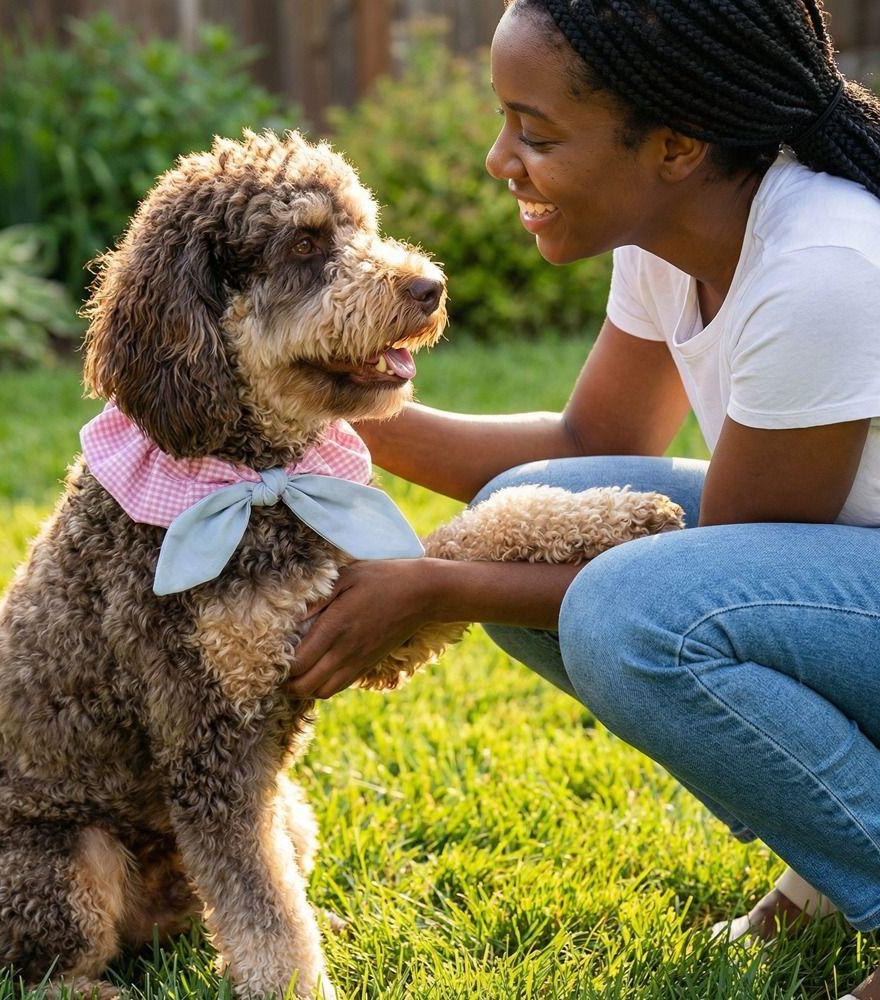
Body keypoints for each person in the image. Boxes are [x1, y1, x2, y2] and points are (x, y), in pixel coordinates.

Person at [287, 1, 880, 995]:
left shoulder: (824, 263)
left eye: (537, 134)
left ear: (677, 144)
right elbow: (592, 445)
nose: (497, 159)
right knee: (530, 514)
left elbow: (701, 580)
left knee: (626, 607)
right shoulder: (675, 232)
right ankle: (829, 858)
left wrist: (437, 585)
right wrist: (314, 401)